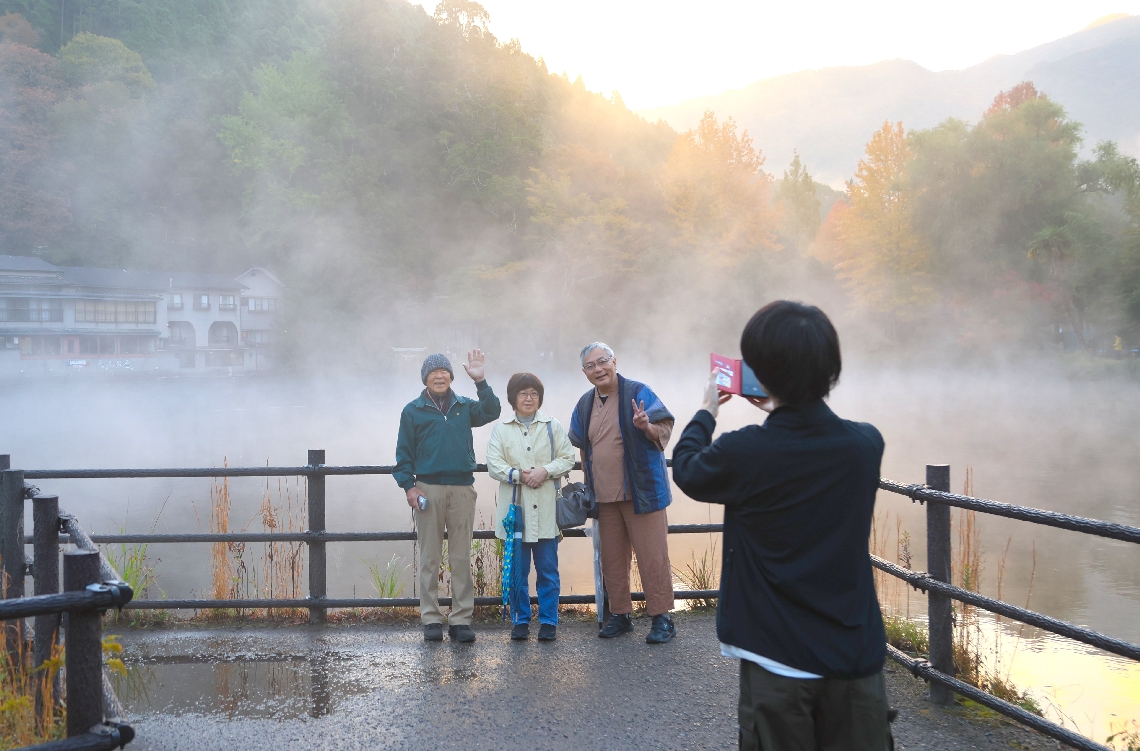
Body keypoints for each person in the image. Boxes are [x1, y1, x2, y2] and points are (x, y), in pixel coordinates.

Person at [672, 301, 891, 750]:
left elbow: (688, 467)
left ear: (761, 370)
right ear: (830, 369)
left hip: (776, 656)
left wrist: (707, 410)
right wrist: (781, 401)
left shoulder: (747, 451)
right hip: (853, 655)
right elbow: (805, 443)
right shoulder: (865, 445)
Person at [568, 342, 677, 644]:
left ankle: (662, 618)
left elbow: (663, 428)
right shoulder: (585, 403)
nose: (598, 369)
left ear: (614, 361)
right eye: (591, 365)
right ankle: (620, 614)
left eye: (602, 361)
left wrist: (646, 427)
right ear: (584, 372)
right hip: (603, 495)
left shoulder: (638, 391)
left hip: (642, 490)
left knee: (652, 555)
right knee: (612, 559)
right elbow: (577, 442)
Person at [394, 350, 501, 643]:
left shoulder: (465, 406)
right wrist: (409, 487)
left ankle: (461, 620)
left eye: (444, 372)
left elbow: (492, 411)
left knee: (460, 557)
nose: (439, 376)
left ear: (452, 377)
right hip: (427, 488)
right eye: (433, 372)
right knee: (429, 558)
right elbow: (403, 455)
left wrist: (480, 381)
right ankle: (430, 618)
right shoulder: (412, 410)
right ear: (425, 379)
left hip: (462, 488)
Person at [485, 373, 576, 641]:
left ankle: (549, 621)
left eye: (534, 393)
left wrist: (544, 471)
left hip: (547, 511)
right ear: (513, 397)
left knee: (548, 570)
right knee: (517, 572)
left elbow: (568, 457)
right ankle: (520, 620)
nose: (528, 398)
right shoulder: (501, 429)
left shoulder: (552, 425)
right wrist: (519, 476)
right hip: (517, 512)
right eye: (523, 393)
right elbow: (494, 464)